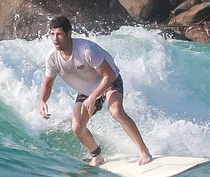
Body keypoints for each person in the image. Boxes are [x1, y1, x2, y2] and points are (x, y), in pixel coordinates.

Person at [37, 16, 152, 167]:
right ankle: (97, 155)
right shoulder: (52, 58)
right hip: (87, 90)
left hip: (109, 82)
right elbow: (48, 84)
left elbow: (109, 75)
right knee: (77, 127)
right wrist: (42, 100)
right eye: (52, 34)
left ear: (69, 33)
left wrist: (93, 97)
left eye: (59, 34)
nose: (55, 39)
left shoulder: (86, 50)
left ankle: (144, 151)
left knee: (116, 111)